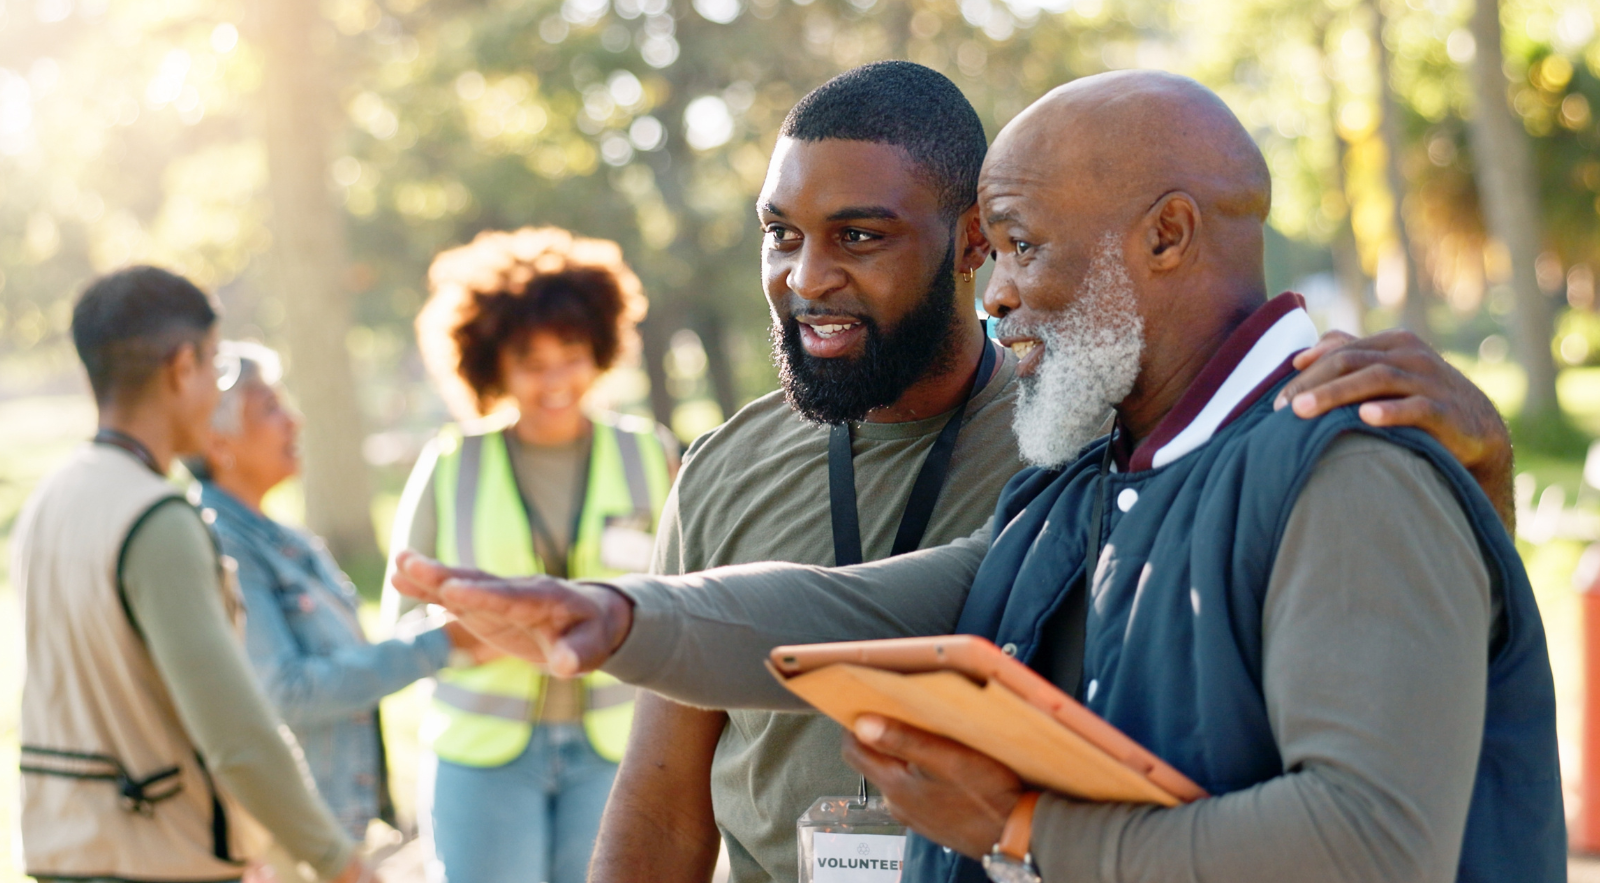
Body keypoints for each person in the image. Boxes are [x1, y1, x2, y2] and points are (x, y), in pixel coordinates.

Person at [393, 70, 1562, 883]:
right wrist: (606, 615)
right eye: (989, 253)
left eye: (1019, 246)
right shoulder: (1101, 479)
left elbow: (1366, 845)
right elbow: (857, 611)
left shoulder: (1344, 465)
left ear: (1165, 236)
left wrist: (1019, 827)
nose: (992, 290)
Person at [14, 266, 367, 883]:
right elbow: (237, 734)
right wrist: (338, 861)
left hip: (64, 850)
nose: (216, 390)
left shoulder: (50, 498)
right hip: (158, 858)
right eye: (214, 368)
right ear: (182, 367)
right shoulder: (157, 519)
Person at [382, 226, 676, 883]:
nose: (554, 380)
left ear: (599, 348)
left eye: (570, 353)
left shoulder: (649, 454)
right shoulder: (451, 462)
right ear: (491, 365)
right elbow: (399, 619)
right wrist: (463, 636)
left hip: (618, 751)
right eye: (529, 361)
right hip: (484, 759)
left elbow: (688, 593)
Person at [186, 341, 489, 842]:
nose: (294, 421)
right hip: (290, 835)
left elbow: (345, 659)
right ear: (220, 444)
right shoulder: (222, 545)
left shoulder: (285, 538)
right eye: (270, 409)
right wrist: (442, 643)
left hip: (334, 820)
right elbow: (286, 691)